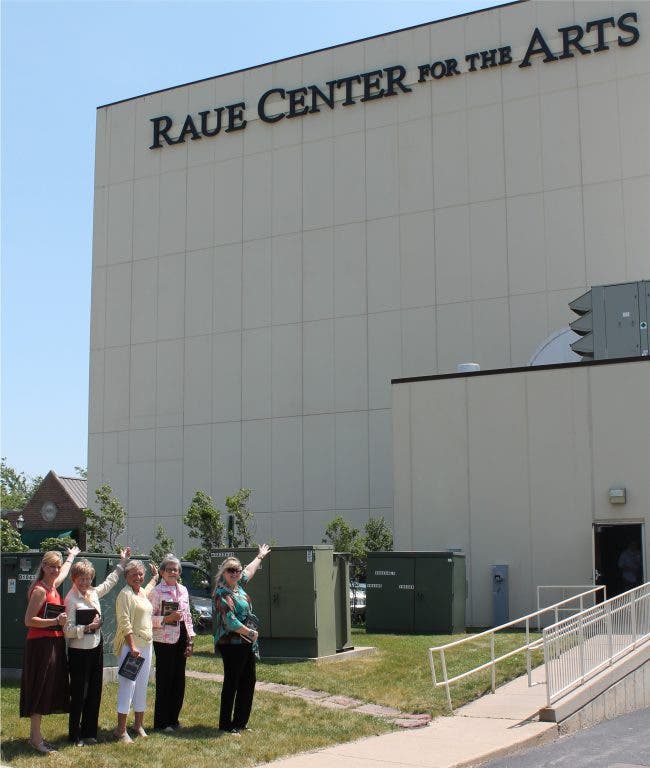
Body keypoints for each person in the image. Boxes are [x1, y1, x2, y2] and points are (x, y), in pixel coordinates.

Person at [64, 547, 131, 745]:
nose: (85, 582)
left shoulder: (93, 592)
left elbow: (109, 582)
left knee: (94, 691)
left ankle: (89, 733)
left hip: (96, 648)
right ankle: (74, 735)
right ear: (74, 579)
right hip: (78, 651)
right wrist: (87, 627)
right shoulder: (70, 599)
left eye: (88, 579)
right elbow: (68, 629)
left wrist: (122, 562)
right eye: (81, 579)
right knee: (79, 694)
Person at [20, 546, 80, 754]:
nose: (56, 570)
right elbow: (29, 621)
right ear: (43, 566)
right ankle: (36, 740)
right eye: (51, 566)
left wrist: (72, 556)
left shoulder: (53, 586)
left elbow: (64, 572)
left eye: (57, 566)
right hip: (40, 646)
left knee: (46, 689)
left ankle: (35, 737)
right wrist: (55, 620)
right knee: (39, 689)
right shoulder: (40, 590)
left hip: (53, 642)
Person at [214, 543, 270, 734]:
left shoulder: (238, 587)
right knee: (232, 683)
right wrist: (250, 633)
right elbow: (230, 622)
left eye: (236, 570)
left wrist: (260, 556)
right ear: (224, 572)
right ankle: (225, 724)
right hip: (231, 644)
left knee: (248, 681)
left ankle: (240, 722)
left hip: (246, 643)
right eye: (231, 570)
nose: (235, 573)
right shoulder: (222, 593)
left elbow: (249, 571)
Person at [113, 558, 159, 743]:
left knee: (142, 685)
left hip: (147, 646)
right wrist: (132, 646)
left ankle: (138, 725)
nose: (138, 577)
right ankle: (120, 730)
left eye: (140, 574)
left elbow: (148, 588)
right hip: (130, 647)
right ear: (126, 577)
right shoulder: (125, 595)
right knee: (127, 686)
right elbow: (124, 623)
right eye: (134, 574)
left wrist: (155, 576)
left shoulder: (141, 593)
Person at [149, 553, 196, 732]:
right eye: (168, 569)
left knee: (178, 680)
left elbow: (188, 616)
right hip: (164, 639)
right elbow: (148, 617)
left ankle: (174, 720)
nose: (172, 572)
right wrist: (166, 619)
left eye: (175, 570)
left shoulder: (183, 590)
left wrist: (190, 639)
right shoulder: (156, 592)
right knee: (165, 680)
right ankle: (162, 722)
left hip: (181, 636)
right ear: (161, 572)